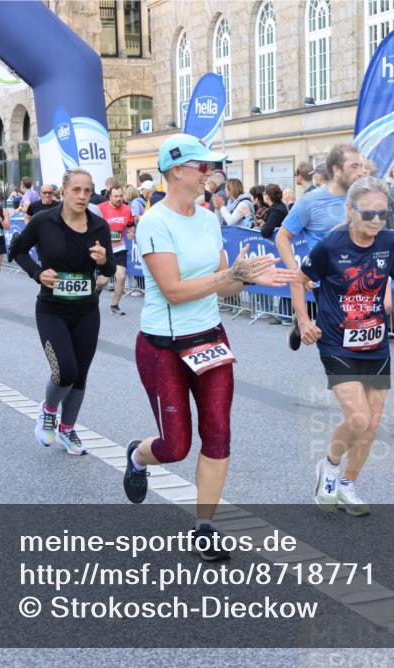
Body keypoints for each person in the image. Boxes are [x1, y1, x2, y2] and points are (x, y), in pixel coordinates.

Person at [121, 134, 294, 561]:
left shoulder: (207, 218)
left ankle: (204, 527)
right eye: (203, 167)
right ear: (177, 170)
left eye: (211, 166)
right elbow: (175, 291)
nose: (210, 174)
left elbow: (227, 287)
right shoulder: (154, 222)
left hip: (210, 339)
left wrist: (251, 277)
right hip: (164, 345)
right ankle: (138, 456)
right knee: (175, 446)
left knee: (218, 433)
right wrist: (229, 275)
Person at [291, 176, 394, 516]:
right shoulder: (330, 245)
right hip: (337, 341)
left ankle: (347, 483)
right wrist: (305, 322)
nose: (377, 221)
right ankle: (330, 466)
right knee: (359, 419)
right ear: (350, 210)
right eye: (369, 214)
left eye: (383, 214)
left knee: (372, 423)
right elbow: (300, 280)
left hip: (376, 342)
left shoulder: (390, 243)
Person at [8, 168, 115, 456]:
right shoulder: (44, 221)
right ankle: (48, 409)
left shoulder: (98, 226)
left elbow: (109, 269)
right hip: (52, 309)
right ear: (64, 192)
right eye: (76, 190)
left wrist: (105, 261)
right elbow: (18, 251)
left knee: (80, 375)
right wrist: (37, 272)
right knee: (64, 369)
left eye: (87, 191)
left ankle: (68, 429)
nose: (82, 196)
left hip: (86, 310)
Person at [277, 144, 367, 351]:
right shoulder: (310, 201)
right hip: (327, 283)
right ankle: (302, 320)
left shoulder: (365, 198)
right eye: (355, 166)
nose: (362, 171)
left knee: (364, 346)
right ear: (337, 170)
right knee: (339, 346)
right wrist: (295, 272)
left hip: (363, 279)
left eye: (363, 166)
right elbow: (282, 237)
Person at [97, 185, 136, 316]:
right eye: (116, 196)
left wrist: (131, 233)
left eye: (120, 196)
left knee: (121, 276)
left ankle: (115, 305)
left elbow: (131, 226)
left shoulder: (127, 209)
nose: (119, 199)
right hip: (105, 249)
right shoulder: (100, 208)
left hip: (120, 248)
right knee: (104, 281)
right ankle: (96, 290)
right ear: (110, 196)